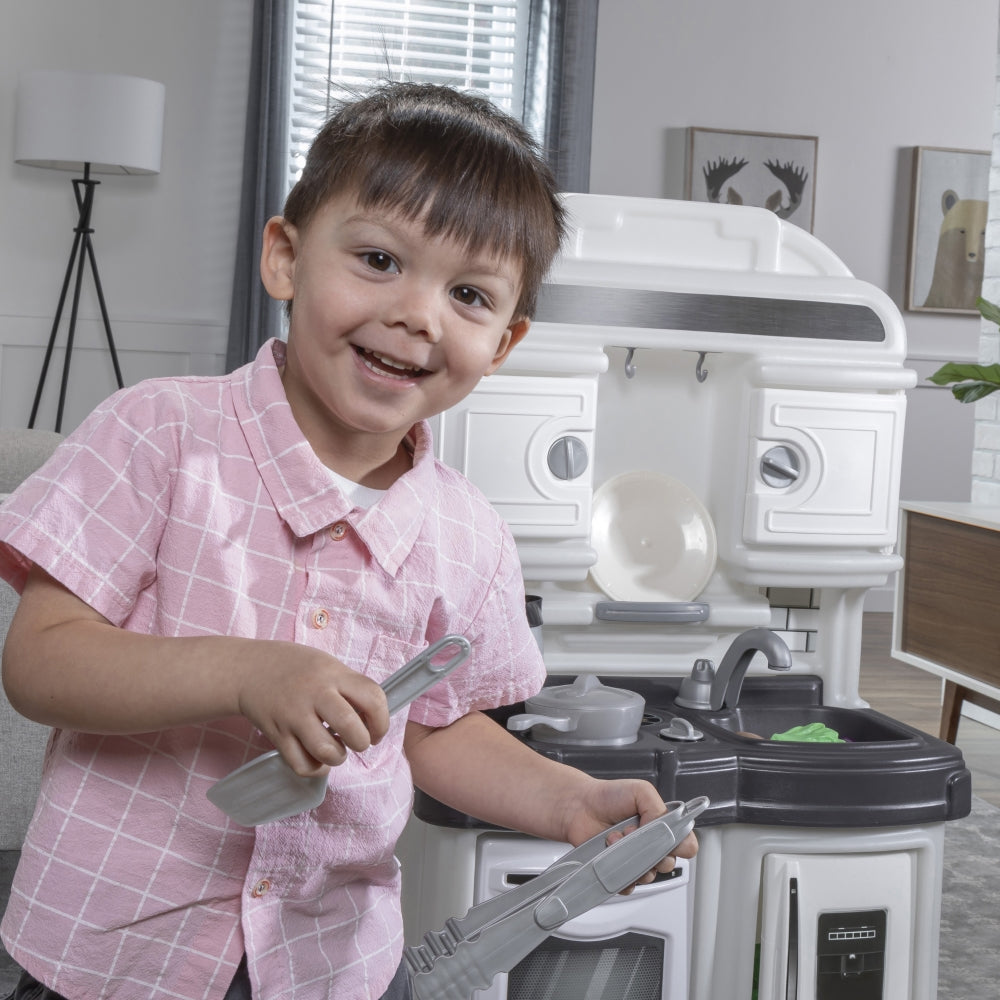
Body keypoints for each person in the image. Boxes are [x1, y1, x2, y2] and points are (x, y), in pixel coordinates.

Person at [0, 82, 697, 1000]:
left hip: (328, 966)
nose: (419, 313)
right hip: (113, 959)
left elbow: (438, 732)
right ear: (285, 257)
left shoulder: (470, 536)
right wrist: (246, 673)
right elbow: (41, 665)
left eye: (469, 295)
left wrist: (569, 801)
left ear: (503, 341)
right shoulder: (155, 434)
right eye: (377, 258)